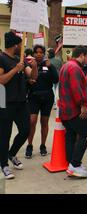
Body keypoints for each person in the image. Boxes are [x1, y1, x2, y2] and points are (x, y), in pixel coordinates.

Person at [0, 32, 38, 180]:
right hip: (5, 102)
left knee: (25, 130)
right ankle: (4, 165)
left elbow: (32, 76)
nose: (22, 47)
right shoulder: (2, 59)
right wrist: (16, 69)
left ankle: (11, 154)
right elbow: (1, 80)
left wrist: (34, 67)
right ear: (15, 45)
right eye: (20, 44)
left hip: (21, 102)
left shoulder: (19, 58)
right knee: (4, 135)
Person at [59, 46, 87, 178]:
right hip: (74, 110)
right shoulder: (75, 68)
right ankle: (74, 164)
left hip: (66, 109)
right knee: (85, 134)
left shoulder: (66, 65)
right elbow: (76, 89)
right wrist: (83, 105)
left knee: (71, 136)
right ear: (82, 55)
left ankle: (72, 164)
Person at [25, 45, 59, 158]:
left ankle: (43, 145)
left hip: (47, 97)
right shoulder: (30, 65)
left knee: (44, 122)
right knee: (32, 121)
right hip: (33, 97)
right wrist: (28, 81)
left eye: (41, 52)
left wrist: (52, 67)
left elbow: (56, 80)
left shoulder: (48, 65)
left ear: (44, 54)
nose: (39, 54)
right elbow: (25, 80)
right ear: (34, 54)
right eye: (36, 52)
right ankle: (29, 145)